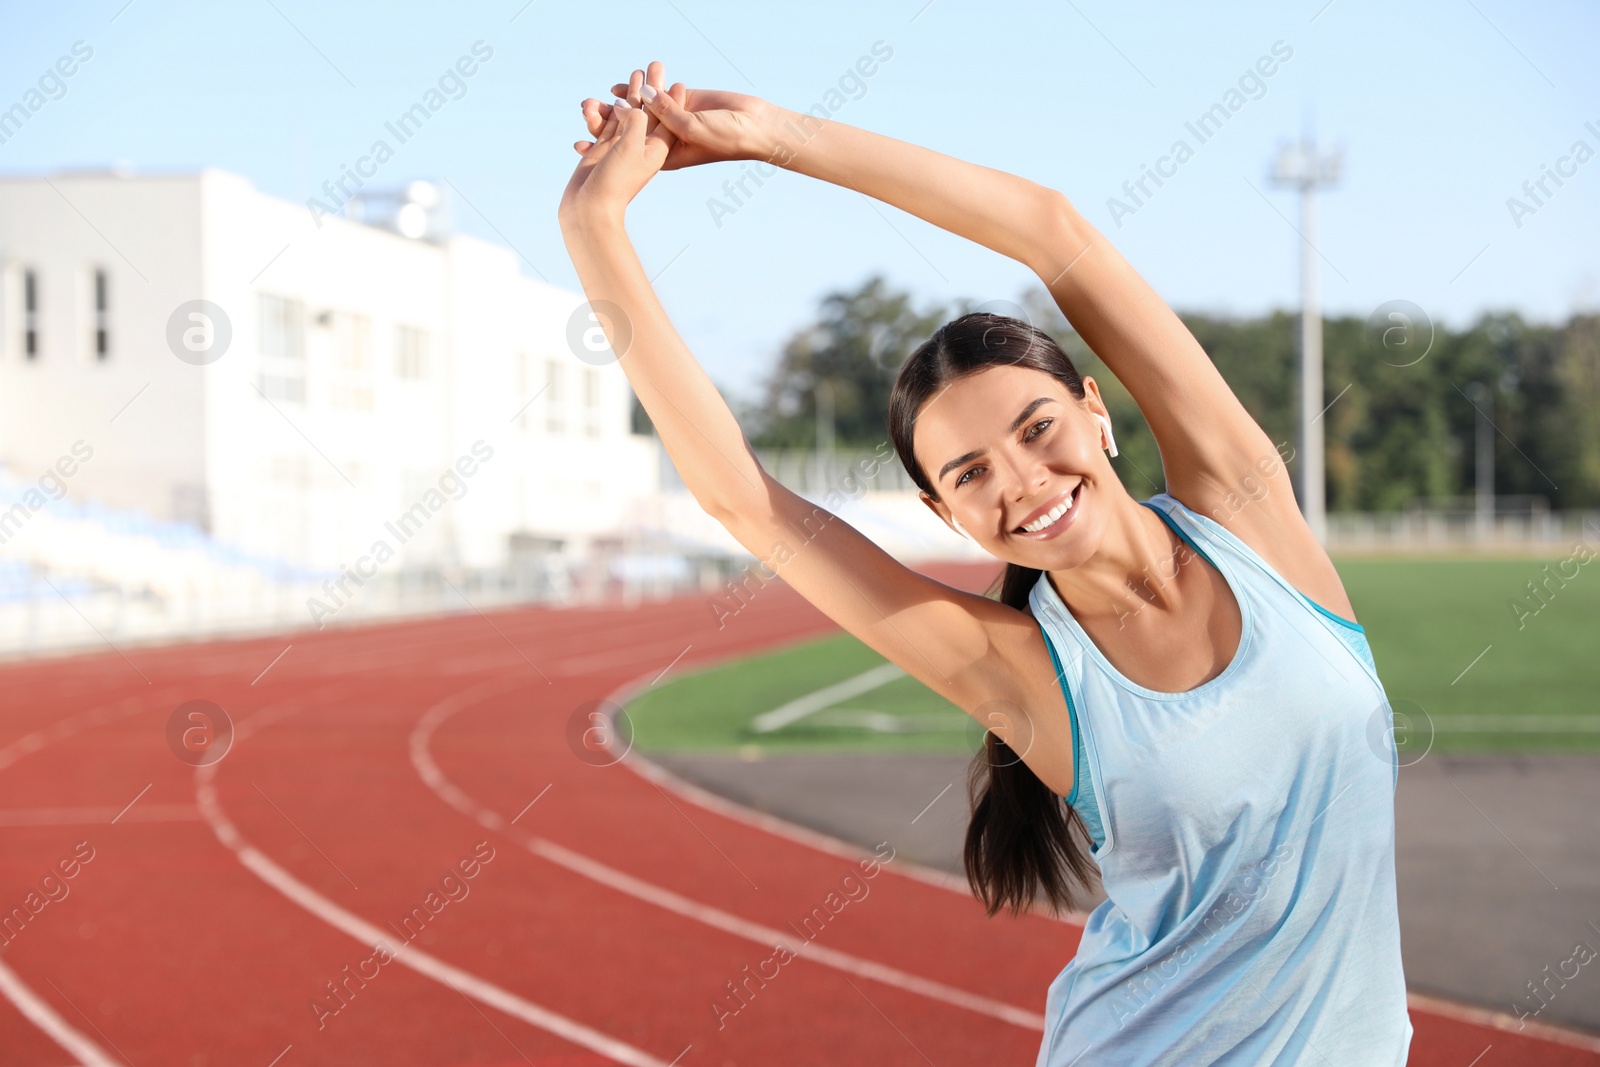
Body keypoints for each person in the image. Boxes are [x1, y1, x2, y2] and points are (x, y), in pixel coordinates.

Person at [560, 61, 1412, 1066]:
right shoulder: (1028, 674)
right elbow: (742, 498)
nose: (1023, 479)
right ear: (944, 511)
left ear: (1095, 410)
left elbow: (1053, 233)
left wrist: (777, 136)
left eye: (1036, 426)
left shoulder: (1248, 514)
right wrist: (595, 228)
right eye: (970, 471)